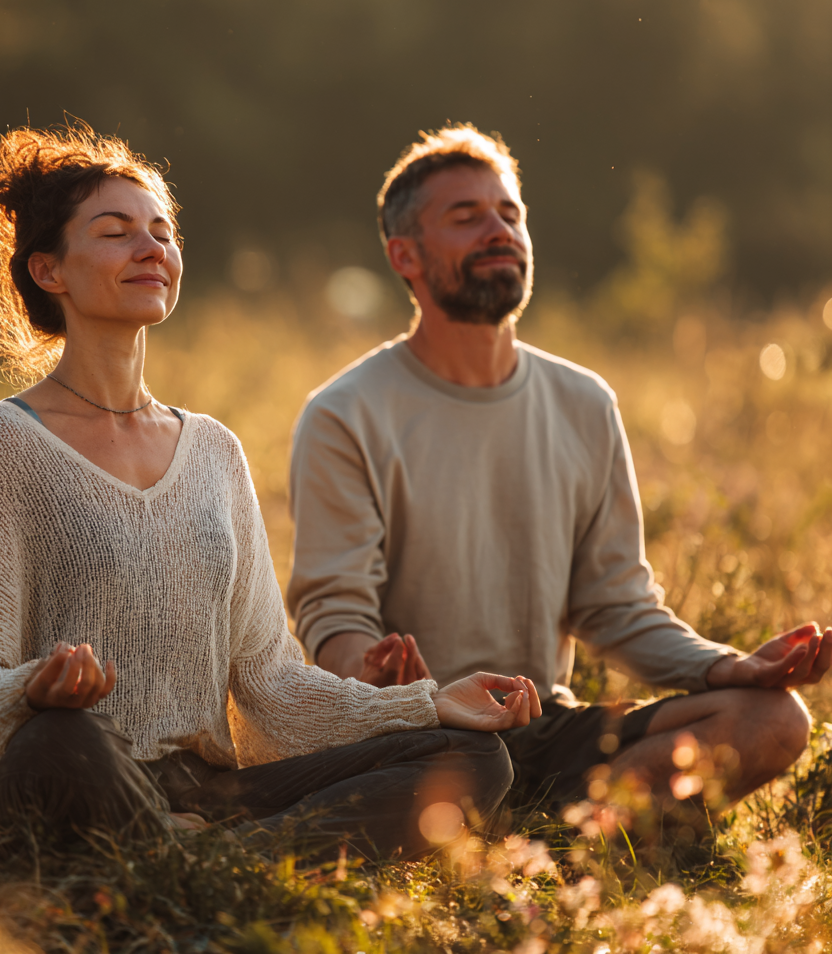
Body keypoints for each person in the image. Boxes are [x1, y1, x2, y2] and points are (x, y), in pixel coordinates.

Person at [0, 123, 538, 862]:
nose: (153, 250)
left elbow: (271, 684)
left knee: (470, 760)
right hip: (69, 774)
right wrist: (33, 691)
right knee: (61, 741)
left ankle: (199, 867)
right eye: (117, 234)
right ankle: (211, 871)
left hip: (205, 796)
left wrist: (426, 702)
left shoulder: (213, 451)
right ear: (49, 270)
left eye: (163, 232)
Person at [287, 124, 832, 812]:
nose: (499, 230)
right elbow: (333, 614)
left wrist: (730, 665)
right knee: (443, 774)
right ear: (406, 256)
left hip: (547, 724)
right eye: (467, 217)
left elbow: (617, 607)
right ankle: (555, 839)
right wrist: (376, 679)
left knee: (774, 719)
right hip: (421, 733)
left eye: (510, 214)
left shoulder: (584, 402)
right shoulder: (345, 414)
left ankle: (564, 844)